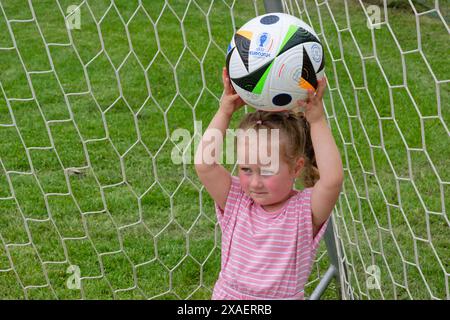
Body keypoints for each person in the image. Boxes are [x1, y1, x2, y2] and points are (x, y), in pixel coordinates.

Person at [194, 67, 344, 300]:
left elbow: (332, 180)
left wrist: (317, 120)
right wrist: (225, 111)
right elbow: (205, 163)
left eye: (266, 171)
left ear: (296, 168)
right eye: (246, 169)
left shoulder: (304, 211)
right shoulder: (236, 200)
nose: (254, 182)